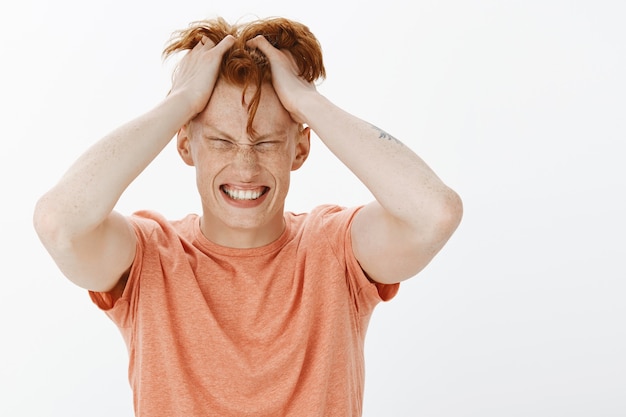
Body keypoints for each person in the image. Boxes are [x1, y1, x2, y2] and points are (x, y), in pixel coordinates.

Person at [33, 16, 462, 417]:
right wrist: (181, 101)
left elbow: (434, 213)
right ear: (184, 144)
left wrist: (305, 100)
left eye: (266, 143)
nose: (245, 166)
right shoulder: (150, 257)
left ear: (300, 148)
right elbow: (58, 222)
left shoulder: (335, 249)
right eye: (221, 140)